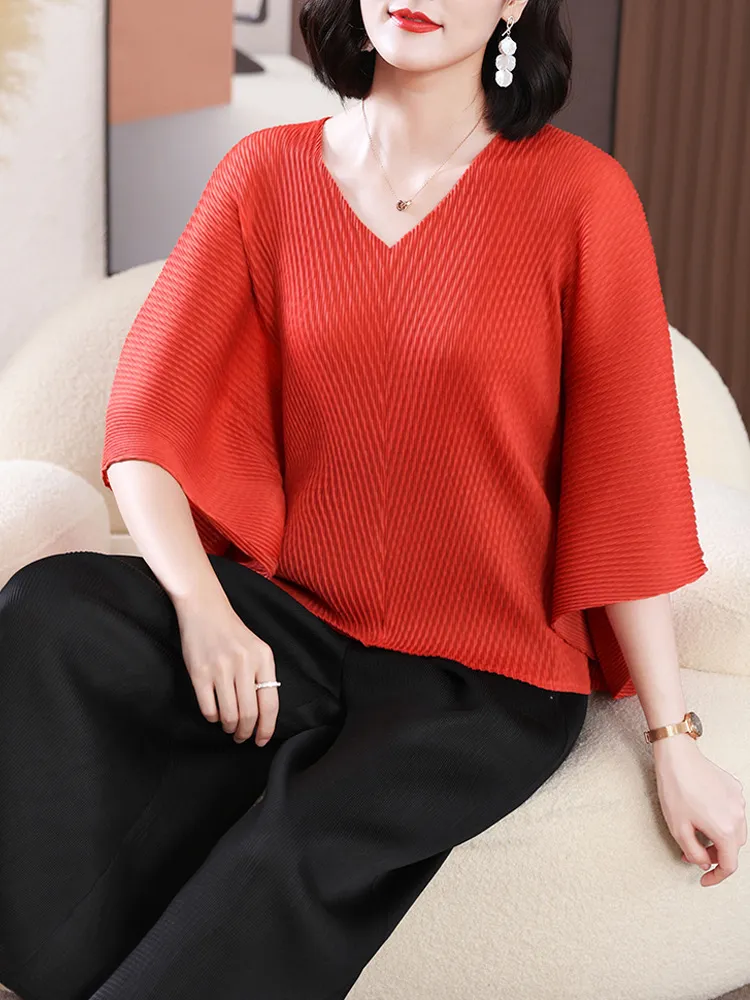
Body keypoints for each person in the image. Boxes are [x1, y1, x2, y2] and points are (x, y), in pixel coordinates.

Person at [0, 1, 746, 998]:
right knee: (47, 612)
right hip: (298, 623)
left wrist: (672, 739)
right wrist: (203, 608)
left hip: (489, 675)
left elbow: (625, 483)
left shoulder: (582, 196)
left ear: (513, 5)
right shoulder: (265, 173)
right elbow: (147, 421)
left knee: (290, 851)